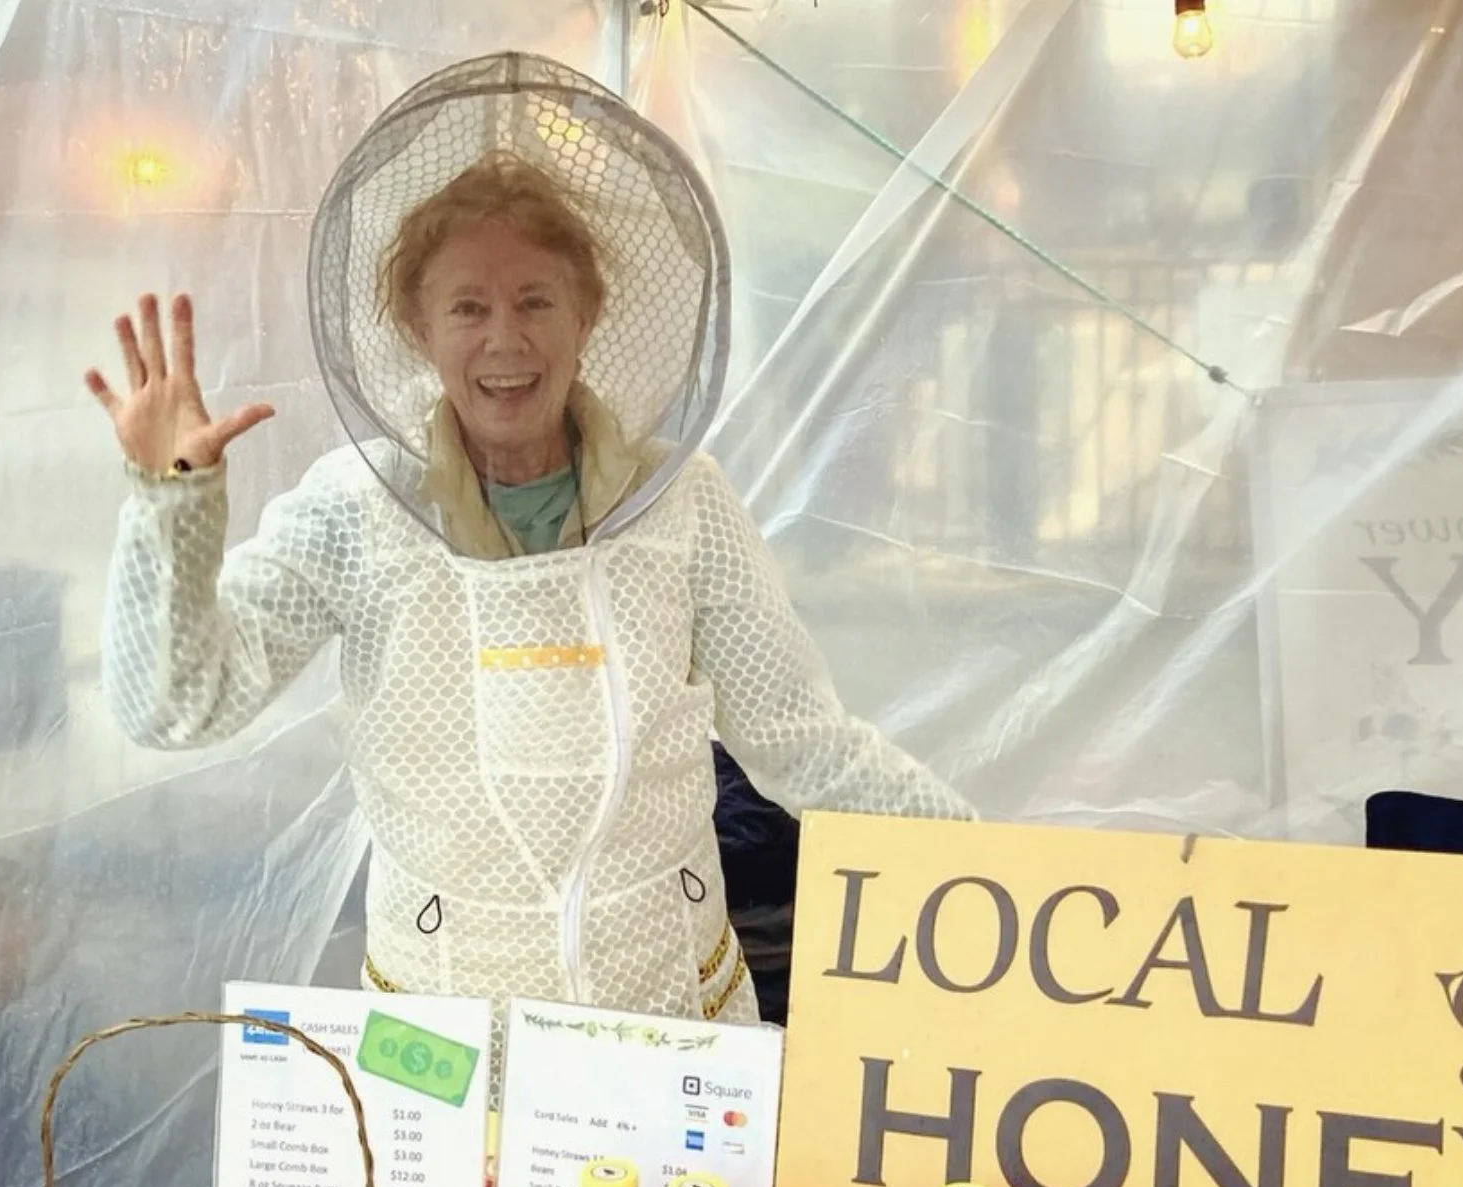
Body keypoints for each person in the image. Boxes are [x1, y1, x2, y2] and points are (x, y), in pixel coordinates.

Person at [91, 54, 972, 1091]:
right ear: (416, 328)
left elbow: (802, 742)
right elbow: (175, 703)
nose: (503, 339)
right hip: (441, 1060)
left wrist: (997, 868)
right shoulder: (355, 512)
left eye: (535, 300)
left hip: (672, 1033)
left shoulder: (679, 504)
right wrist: (172, 507)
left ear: (588, 315)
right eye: (466, 307)